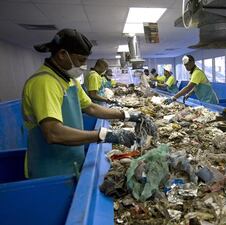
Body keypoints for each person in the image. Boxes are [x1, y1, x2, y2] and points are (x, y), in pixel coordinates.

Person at [22, 28, 157, 178]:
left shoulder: (68, 80)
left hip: (71, 160)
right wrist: (106, 135)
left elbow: (91, 107)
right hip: (50, 169)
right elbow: (53, 133)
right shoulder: (45, 82)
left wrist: (129, 115)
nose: (83, 66)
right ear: (62, 54)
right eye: (80, 60)